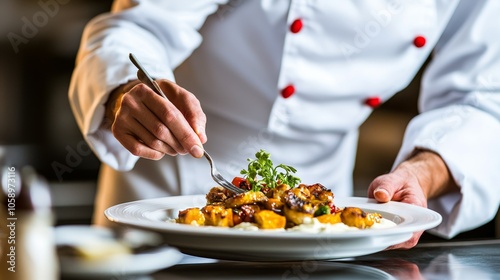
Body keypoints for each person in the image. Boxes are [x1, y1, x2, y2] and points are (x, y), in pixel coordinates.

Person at [69, 0, 500, 249]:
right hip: (170, 186)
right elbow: (137, 27)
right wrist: (126, 94)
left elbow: (481, 97)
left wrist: (422, 173)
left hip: (324, 219)